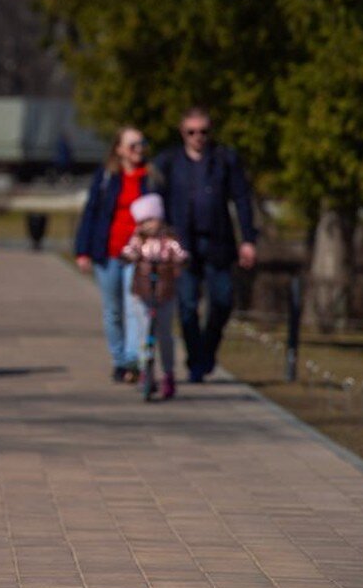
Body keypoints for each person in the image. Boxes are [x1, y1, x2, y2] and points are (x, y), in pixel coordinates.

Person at [152, 106, 258, 383]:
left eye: (203, 132)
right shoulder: (169, 162)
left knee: (222, 300)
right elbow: (155, 202)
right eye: (192, 132)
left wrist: (248, 239)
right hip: (183, 245)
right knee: (187, 305)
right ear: (182, 133)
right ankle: (196, 359)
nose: (198, 137)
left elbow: (242, 199)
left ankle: (207, 352)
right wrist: (160, 237)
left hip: (217, 242)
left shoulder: (224, 160)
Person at [73, 126, 153, 382]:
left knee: (135, 307)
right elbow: (91, 212)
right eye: (132, 145)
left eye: (141, 144)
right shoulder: (107, 176)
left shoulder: (150, 177)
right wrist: (82, 251)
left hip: (138, 254)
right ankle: (119, 359)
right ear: (119, 150)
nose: (138, 150)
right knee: (113, 310)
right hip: (107, 252)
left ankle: (132, 361)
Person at [121, 193, 188, 399]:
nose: (148, 225)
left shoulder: (169, 240)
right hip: (142, 290)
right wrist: (130, 254)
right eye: (143, 221)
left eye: (151, 219)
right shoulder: (138, 239)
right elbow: (128, 250)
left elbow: (180, 253)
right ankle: (144, 371)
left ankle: (168, 372)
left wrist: (180, 259)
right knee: (143, 333)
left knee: (164, 334)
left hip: (164, 291)